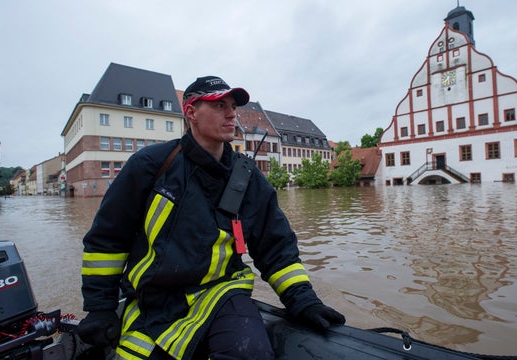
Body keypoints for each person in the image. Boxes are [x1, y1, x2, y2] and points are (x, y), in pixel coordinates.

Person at [77, 76, 345, 359]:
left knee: (250, 353)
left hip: (223, 294)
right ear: (191, 112)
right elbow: (107, 242)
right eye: (219, 106)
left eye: (233, 106)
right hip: (152, 304)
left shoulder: (250, 180)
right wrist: (101, 308)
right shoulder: (150, 166)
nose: (231, 114)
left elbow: (276, 249)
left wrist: (303, 300)